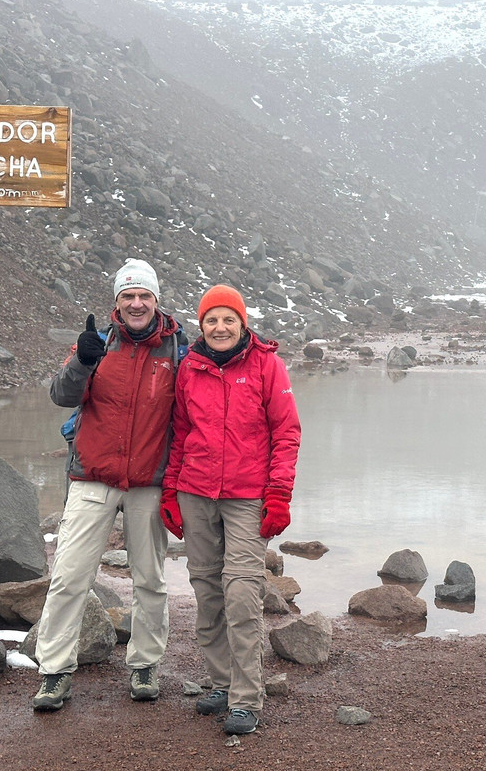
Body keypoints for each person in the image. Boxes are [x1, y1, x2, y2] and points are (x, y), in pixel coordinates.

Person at [32, 258, 186, 712]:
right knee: (68, 579)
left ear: (156, 301)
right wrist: (81, 362)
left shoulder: (178, 350)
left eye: (144, 296)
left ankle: (144, 664)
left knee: (151, 581)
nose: (136, 303)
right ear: (116, 302)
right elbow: (61, 395)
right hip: (92, 478)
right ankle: (54, 671)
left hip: (148, 483)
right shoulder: (96, 344)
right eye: (128, 296)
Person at [160, 284, 301, 735]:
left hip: (246, 496)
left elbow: (287, 432)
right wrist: (170, 491)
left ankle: (246, 698)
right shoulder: (190, 369)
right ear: (201, 325)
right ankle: (221, 682)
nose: (220, 327)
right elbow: (180, 435)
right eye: (212, 320)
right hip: (196, 492)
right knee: (207, 590)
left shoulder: (267, 366)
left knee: (241, 592)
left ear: (243, 323)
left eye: (228, 319)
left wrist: (278, 495)